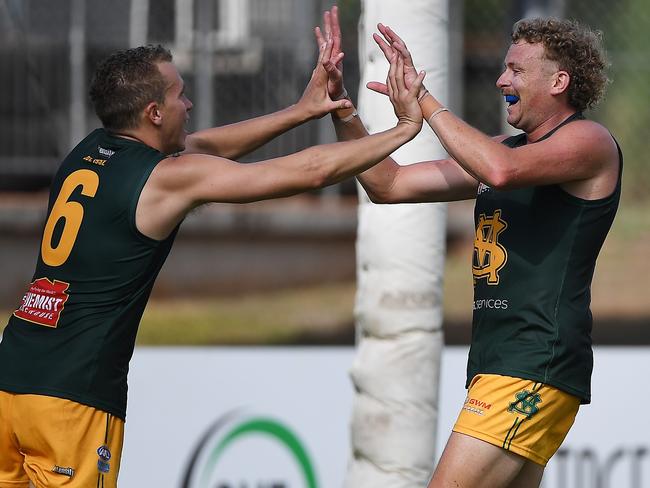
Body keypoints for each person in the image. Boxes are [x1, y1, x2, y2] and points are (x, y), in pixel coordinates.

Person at [0, 35, 425, 487]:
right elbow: (308, 171)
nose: (189, 102)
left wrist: (302, 110)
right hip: (71, 399)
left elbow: (205, 148)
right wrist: (401, 130)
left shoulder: (87, 152)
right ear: (154, 114)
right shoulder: (164, 178)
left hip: (12, 377)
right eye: (178, 93)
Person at [319, 8, 621, 487]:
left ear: (559, 81)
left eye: (517, 70)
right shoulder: (505, 148)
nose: (502, 78)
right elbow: (388, 183)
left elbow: (500, 171)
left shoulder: (589, 141)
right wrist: (343, 110)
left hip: (532, 362)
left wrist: (425, 100)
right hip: (499, 363)